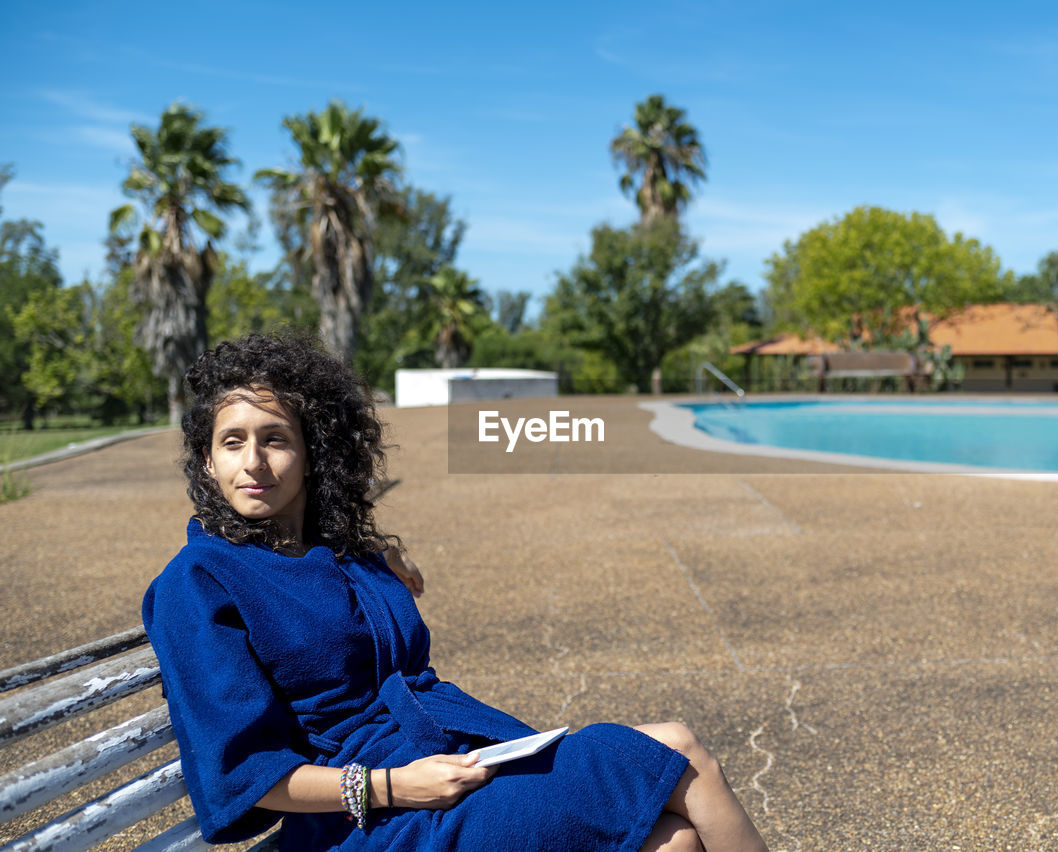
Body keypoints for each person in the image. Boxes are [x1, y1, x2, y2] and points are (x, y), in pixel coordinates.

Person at [142, 333, 767, 852]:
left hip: (453, 758)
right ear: (207, 461)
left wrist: (373, 560)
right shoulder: (196, 584)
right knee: (679, 753)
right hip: (370, 819)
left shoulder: (334, 555)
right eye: (232, 442)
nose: (253, 461)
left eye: (275, 439)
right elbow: (243, 776)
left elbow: (338, 607)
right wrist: (392, 787)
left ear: (312, 453)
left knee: (675, 840)